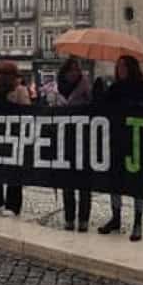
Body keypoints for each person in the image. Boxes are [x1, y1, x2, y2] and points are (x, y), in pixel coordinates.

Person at [98, 55, 143, 241]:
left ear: (131, 67)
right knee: (115, 180)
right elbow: (103, 108)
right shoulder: (115, 88)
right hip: (117, 140)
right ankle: (115, 218)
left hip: (138, 141)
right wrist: (99, 90)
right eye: (118, 66)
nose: (120, 69)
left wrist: (139, 107)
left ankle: (137, 222)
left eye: (123, 66)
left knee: (137, 183)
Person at [47, 57, 92, 231]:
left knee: (84, 181)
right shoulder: (57, 90)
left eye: (76, 69)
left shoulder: (86, 88)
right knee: (67, 180)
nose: (73, 72)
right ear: (64, 72)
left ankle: (84, 219)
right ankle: (69, 217)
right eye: (70, 69)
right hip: (63, 139)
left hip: (83, 139)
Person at [0, 60, 31, 216]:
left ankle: (13, 205)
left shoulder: (20, 90)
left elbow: (26, 112)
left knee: (13, 171)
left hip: (14, 135)